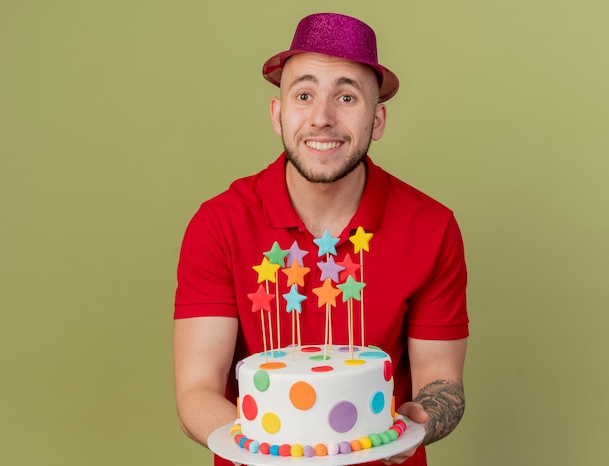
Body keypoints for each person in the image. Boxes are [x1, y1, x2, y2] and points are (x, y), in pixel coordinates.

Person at [173, 12, 468, 466]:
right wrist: (273, 451)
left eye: (346, 97)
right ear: (278, 113)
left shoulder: (431, 226)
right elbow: (196, 390)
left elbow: (442, 380)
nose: (322, 117)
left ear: (378, 120)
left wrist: (416, 422)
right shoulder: (218, 223)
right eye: (304, 94)